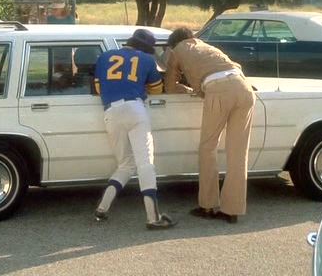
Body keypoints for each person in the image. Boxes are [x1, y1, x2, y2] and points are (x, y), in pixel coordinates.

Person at [164, 27, 255, 224]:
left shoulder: (177, 50)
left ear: (173, 44)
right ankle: (233, 210)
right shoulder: (207, 47)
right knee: (238, 153)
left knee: (208, 147)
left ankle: (207, 205)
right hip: (245, 89)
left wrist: (188, 88)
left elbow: (170, 86)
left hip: (219, 90)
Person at [93, 29, 176, 230]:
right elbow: (157, 89)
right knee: (145, 163)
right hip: (135, 109)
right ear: (144, 47)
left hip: (111, 111)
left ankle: (102, 208)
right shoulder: (146, 60)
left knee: (125, 165)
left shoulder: (104, 56)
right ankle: (152, 217)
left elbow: (98, 89)